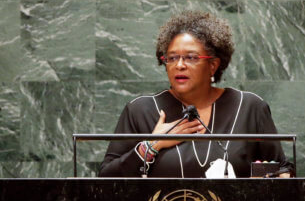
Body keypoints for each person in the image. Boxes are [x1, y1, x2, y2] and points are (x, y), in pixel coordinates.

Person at [99, 11, 292, 178]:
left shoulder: (249, 107)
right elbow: (105, 180)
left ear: (213, 65)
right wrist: (151, 146)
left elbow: (282, 171)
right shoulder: (141, 110)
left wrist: (273, 179)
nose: (179, 65)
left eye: (191, 57)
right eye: (172, 58)